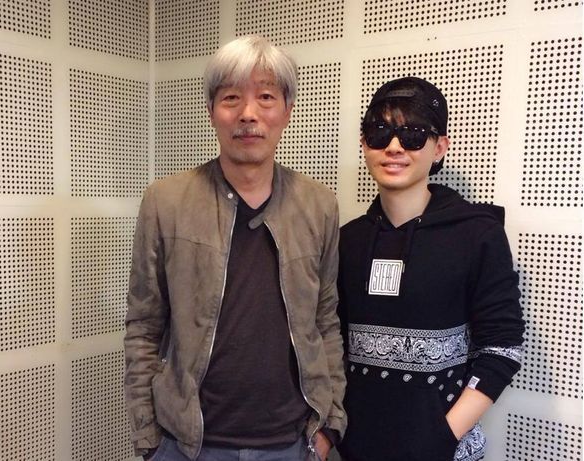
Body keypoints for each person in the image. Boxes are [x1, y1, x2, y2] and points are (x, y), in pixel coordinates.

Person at [124, 36, 346, 461]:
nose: (248, 113)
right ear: (211, 111)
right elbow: (144, 325)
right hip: (187, 445)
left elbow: (325, 320)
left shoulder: (319, 205)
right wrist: (149, 437)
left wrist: (329, 423)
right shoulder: (165, 201)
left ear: (287, 110)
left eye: (266, 97)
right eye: (231, 98)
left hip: (291, 443)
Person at [336, 77, 525, 461]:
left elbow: (502, 348)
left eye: (413, 135)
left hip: (441, 451)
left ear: (439, 148)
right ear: (364, 143)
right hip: (354, 449)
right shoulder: (346, 240)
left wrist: (441, 436)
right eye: (379, 132)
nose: (393, 146)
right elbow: (330, 343)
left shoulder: (477, 234)